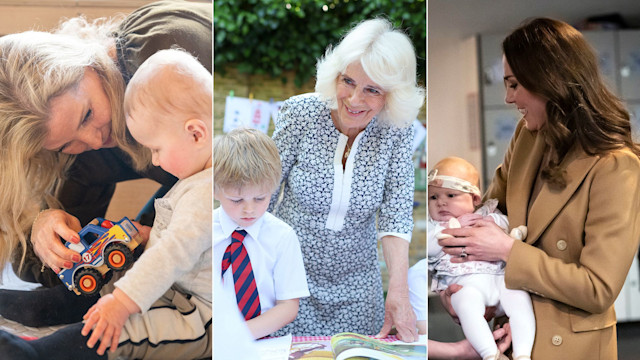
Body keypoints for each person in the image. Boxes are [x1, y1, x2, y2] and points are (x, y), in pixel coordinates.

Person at [438, 18, 640, 359]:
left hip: (573, 346)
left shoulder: (616, 165)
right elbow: (489, 216)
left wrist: (507, 251)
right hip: (514, 331)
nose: (507, 97)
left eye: (515, 84)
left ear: (550, 80)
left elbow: (597, 289)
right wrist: (457, 282)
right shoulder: (528, 136)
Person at [0, 0, 211, 327]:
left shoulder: (168, 53)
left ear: (89, 64)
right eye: (66, 143)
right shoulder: (82, 148)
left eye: (87, 115)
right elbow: (35, 261)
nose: (95, 142)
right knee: (111, 241)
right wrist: (43, 226)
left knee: (169, 216)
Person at [268, 18, 424, 341]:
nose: (354, 99)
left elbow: (395, 215)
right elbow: (264, 193)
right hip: (288, 281)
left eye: (372, 90)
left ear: (391, 96)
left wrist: (398, 289)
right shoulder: (300, 114)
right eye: (348, 81)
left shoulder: (396, 130)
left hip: (358, 291)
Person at [428, 157, 534, 360]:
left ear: (475, 199)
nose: (441, 202)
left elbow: (508, 227)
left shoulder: (490, 216)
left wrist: (509, 231)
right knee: (466, 303)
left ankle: (523, 354)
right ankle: (490, 354)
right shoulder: (435, 228)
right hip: (468, 288)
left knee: (520, 299)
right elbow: (431, 248)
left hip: (501, 281)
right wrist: (449, 229)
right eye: (433, 197)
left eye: (451, 195)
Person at [213, 128, 310, 339]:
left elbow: (288, 306)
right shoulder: (203, 231)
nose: (249, 209)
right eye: (237, 200)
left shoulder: (283, 237)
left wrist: (238, 336)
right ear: (215, 190)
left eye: (260, 198)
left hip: (263, 342)